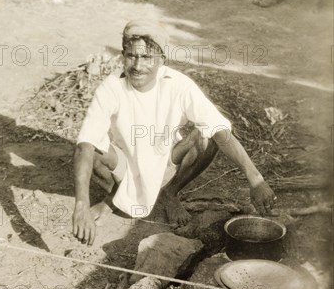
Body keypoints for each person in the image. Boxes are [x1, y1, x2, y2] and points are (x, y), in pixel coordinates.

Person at [72, 19, 276, 245]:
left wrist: (255, 179)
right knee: (93, 148)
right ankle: (114, 197)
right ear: (123, 55)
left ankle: (170, 193)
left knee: (207, 134)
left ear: (162, 61)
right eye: (132, 56)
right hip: (124, 166)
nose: (138, 66)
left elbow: (219, 129)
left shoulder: (179, 85)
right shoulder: (111, 87)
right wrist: (81, 204)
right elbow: (85, 145)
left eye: (147, 58)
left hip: (165, 164)